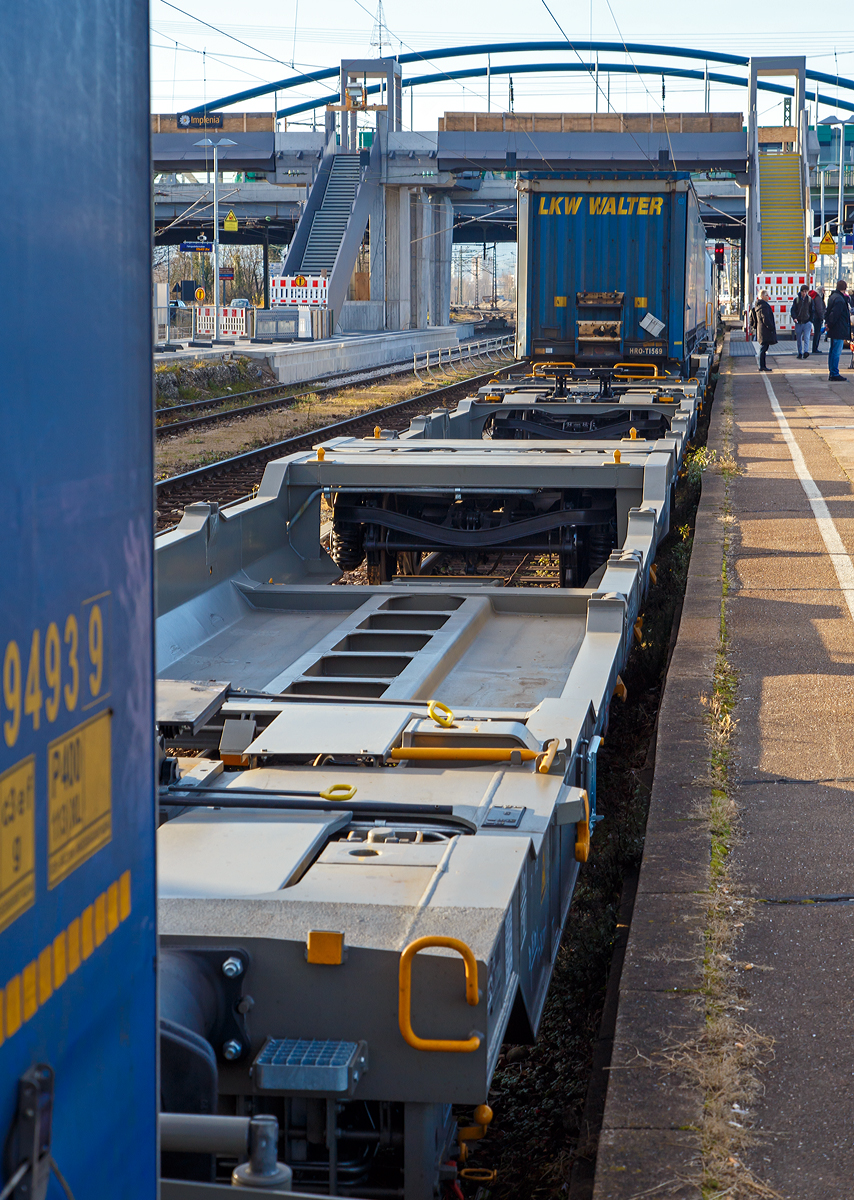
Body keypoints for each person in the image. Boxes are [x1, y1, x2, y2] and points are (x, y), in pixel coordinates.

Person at [825, 279, 851, 382]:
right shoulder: (840, 300)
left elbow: (828, 312)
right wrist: (830, 324)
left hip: (834, 329)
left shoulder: (832, 297)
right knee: (836, 352)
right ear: (844, 288)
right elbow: (835, 314)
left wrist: (828, 324)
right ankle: (834, 373)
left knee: (832, 351)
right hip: (838, 329)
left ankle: (832, 372)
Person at [749, 290, 777, 372]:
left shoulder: (758, 305)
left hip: (761, 330)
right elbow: (765, 318)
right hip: (765, 330)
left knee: (764, 348)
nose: (768, 297)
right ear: (763, 296)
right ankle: (762, 366)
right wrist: (771, 327)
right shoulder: (764, 306)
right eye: (767, 295)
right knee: (763, 348)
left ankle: (763, 365)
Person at [790, 284, 814, 358]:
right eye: (803, 291)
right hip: (799, 322)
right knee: (799, 339)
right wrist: (794, 317)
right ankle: (800, 352)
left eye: (805, 292)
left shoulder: (810, 300)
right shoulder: (797, 300)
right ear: (800, 292)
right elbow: (793, 310)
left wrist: (810, 320)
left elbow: (812, 310)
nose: (804, 293)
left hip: (807, 322)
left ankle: (806, 351)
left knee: (806, 338)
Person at [810, 286, 826, 354]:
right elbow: (819, 309)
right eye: (823, 290)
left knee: (817, 333)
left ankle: (815, 348)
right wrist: (822, 317)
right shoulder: (818, 298)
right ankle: (815, 348)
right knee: (817, 333)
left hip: (815, 317)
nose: (824, 292)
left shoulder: (816, 297)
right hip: (818, 318)